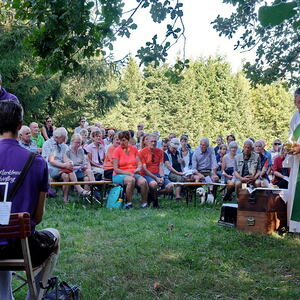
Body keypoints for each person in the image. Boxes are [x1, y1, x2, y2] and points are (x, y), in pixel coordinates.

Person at [0, 100, 60, 300]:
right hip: (21, 246)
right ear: (20, 125)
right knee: (54, 235)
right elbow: (38, 216)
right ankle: (34, 296)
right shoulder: (37, 161)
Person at [42, 127, 89, 203]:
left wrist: (69, 163)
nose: (64, 140)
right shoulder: (48, 144)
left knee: (66, 176)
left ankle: (65, 199)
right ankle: (79, 189)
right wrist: (65, 166)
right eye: (63, 138)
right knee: (69, 170)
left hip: (61, 168)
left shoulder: (63, 145)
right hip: (50, 168)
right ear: (57, 137)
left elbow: (66, 158)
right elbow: (51, 161)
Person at [112, 131, 148, 208]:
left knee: (143, 182)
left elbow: (139, 163)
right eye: (120, 140)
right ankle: (129, 203)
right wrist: (129, 173)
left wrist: (138, 168)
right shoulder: (116, 151)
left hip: (133, 173)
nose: (121, 142)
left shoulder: (134, 149)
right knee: (131, 180)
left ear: (128, 140)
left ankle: (144, 203)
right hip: (119, 174)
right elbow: (116, 169)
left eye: (123, 140)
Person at [281, 88, 300, 232]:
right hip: (297, 161)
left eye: (299, 101)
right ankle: (295, 226)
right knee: (295, 190)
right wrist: (287, 147)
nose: (296, 103)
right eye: (295, 100)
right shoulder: (295, 117)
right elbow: (291, 136)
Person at [140, 134, 173, 207]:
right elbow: (144, 169)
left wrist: (162, 177)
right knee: (153, 184)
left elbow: (161, 165)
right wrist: (156, 178)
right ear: (147, 142)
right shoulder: (142, 152)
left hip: (158, 174)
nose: (153, 143)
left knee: (170, 186)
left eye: (155, 141)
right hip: (147, 175)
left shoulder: (160, 151)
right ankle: (155, 203)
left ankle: (151, 195)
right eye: (151, 141)